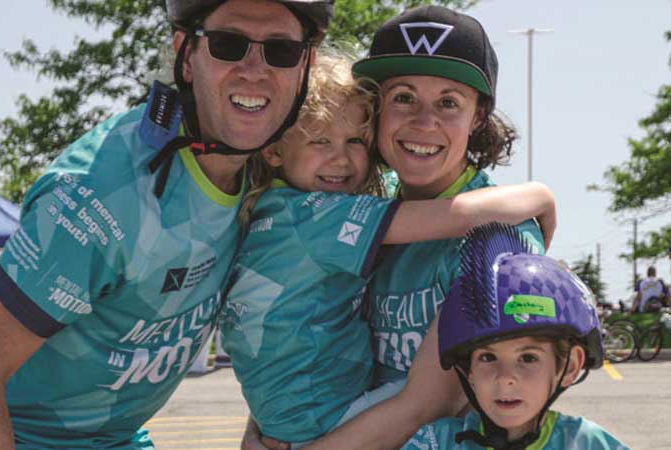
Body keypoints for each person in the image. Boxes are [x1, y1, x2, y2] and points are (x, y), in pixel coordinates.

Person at [0, 1, 335, 449]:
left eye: (281, 51)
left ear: (305, 65)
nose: (254, 70)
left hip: (112, 438)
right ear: (186, 57)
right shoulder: (100, 194)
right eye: (229, 45)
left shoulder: (271, 172)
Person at [228, 48, 556, 448]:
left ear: (478, 117)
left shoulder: (281, 210)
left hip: (310, 420)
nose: (341, 158)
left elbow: (430, 401)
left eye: (354, 140)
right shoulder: (329, 215)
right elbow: (451, 216)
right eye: (403, 97)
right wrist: (540, 195)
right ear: (274, 149)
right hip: (329, 419)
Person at [402, 222, 630, 450]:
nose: (505, 378)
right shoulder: (437, 442)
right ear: (468, 371)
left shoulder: (586, 444)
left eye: (528, 358)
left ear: (569, 367)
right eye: (488, 358)